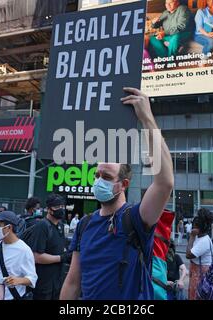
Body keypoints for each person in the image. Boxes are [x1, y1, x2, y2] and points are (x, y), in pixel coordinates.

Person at [60, 87, 174, 300]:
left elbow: (165, 182)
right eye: (96, 175)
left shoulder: (136, 218)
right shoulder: (84, 226)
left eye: (106, 176)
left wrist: (147, 119)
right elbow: (73, 282)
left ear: (124, 184)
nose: (98, 181)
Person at [26, 194, 71, 300]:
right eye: (57, 207)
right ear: (49, 209)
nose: (61, 209)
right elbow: (36, 256)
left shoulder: (60, 226)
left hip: (57, 282)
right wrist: (61, 258)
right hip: (43, 283)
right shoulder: (42, 226)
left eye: (62, 206)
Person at [186, 209, 213, 300]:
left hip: (200, 273)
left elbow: (188, 254)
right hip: (196, 272)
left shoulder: (204, 241)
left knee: (196, 296)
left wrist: (192, 236)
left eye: (194, 226)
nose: (192, 227)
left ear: (199, 227)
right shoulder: (200, 237)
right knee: (193, 294)